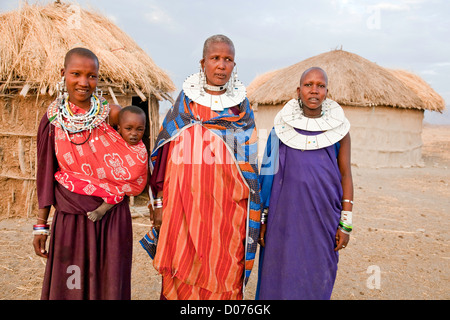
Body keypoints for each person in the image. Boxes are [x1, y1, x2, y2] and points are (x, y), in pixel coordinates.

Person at [139, 34, 261, 300]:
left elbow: (249, 165)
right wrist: (158, 204)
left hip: (227, 213)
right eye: (215, 58)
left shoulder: (241, 108)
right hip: (183, 208)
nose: (221, 65)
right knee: (181, 268)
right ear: (203, 62)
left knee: (225, 271)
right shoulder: (185, 103)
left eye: (228, 59)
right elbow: (163, 150)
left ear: (234, 65)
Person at [33, 47, 135, 299]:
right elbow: (46, 174)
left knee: (109, 287)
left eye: (91, 75)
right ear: (63, 74)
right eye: (76, 74)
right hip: (71, 219)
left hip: (111, 218)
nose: (83, 82)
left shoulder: (113, 116)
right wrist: (41, 226)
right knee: (71, 285)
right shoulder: (52, 120)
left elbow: (138, 159)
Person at [255, 67, 354, 300]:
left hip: (323, 217)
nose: (314, 90)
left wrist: (346, 223)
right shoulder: (281, 129)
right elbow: (267, 174)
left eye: (320, 86)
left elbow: (346, 175)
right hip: (283, 218)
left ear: (327, 93)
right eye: (309, 85)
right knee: (279, 273)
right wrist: (262, 218)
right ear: (298, 91)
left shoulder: (340, 131)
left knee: (317, 273)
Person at [63, 105, 148, 222]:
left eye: (139, 129)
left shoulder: (141, 150)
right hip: (107, 182)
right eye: (128, 128)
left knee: (118, 192)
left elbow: (136, 172)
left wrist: (122, 177)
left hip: (122, 186)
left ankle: (102, 209)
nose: (134, 133)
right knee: (114, 190)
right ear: (119, 128)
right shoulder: (111, 138)